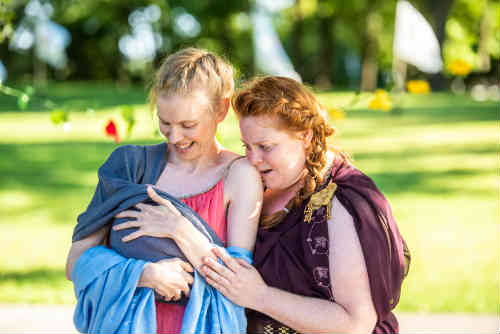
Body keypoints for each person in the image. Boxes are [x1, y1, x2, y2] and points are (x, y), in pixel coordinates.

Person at [131, 76, 410, 333]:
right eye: (246, 147)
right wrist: (176, 236)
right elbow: (228, 274)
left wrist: (260, 296)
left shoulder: (340, 204)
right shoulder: (259, 186)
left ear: (306, 137)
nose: (253, 159)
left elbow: (356, 324)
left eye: (266, 147)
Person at [65, 47, 263, 333]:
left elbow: (239, 282)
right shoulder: (131, 167)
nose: (175, 137)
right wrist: (144, 274)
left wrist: (180, 230)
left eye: (188, 125)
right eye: (165, 123)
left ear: (221, 108)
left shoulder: (239, 176)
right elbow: (75, 264)